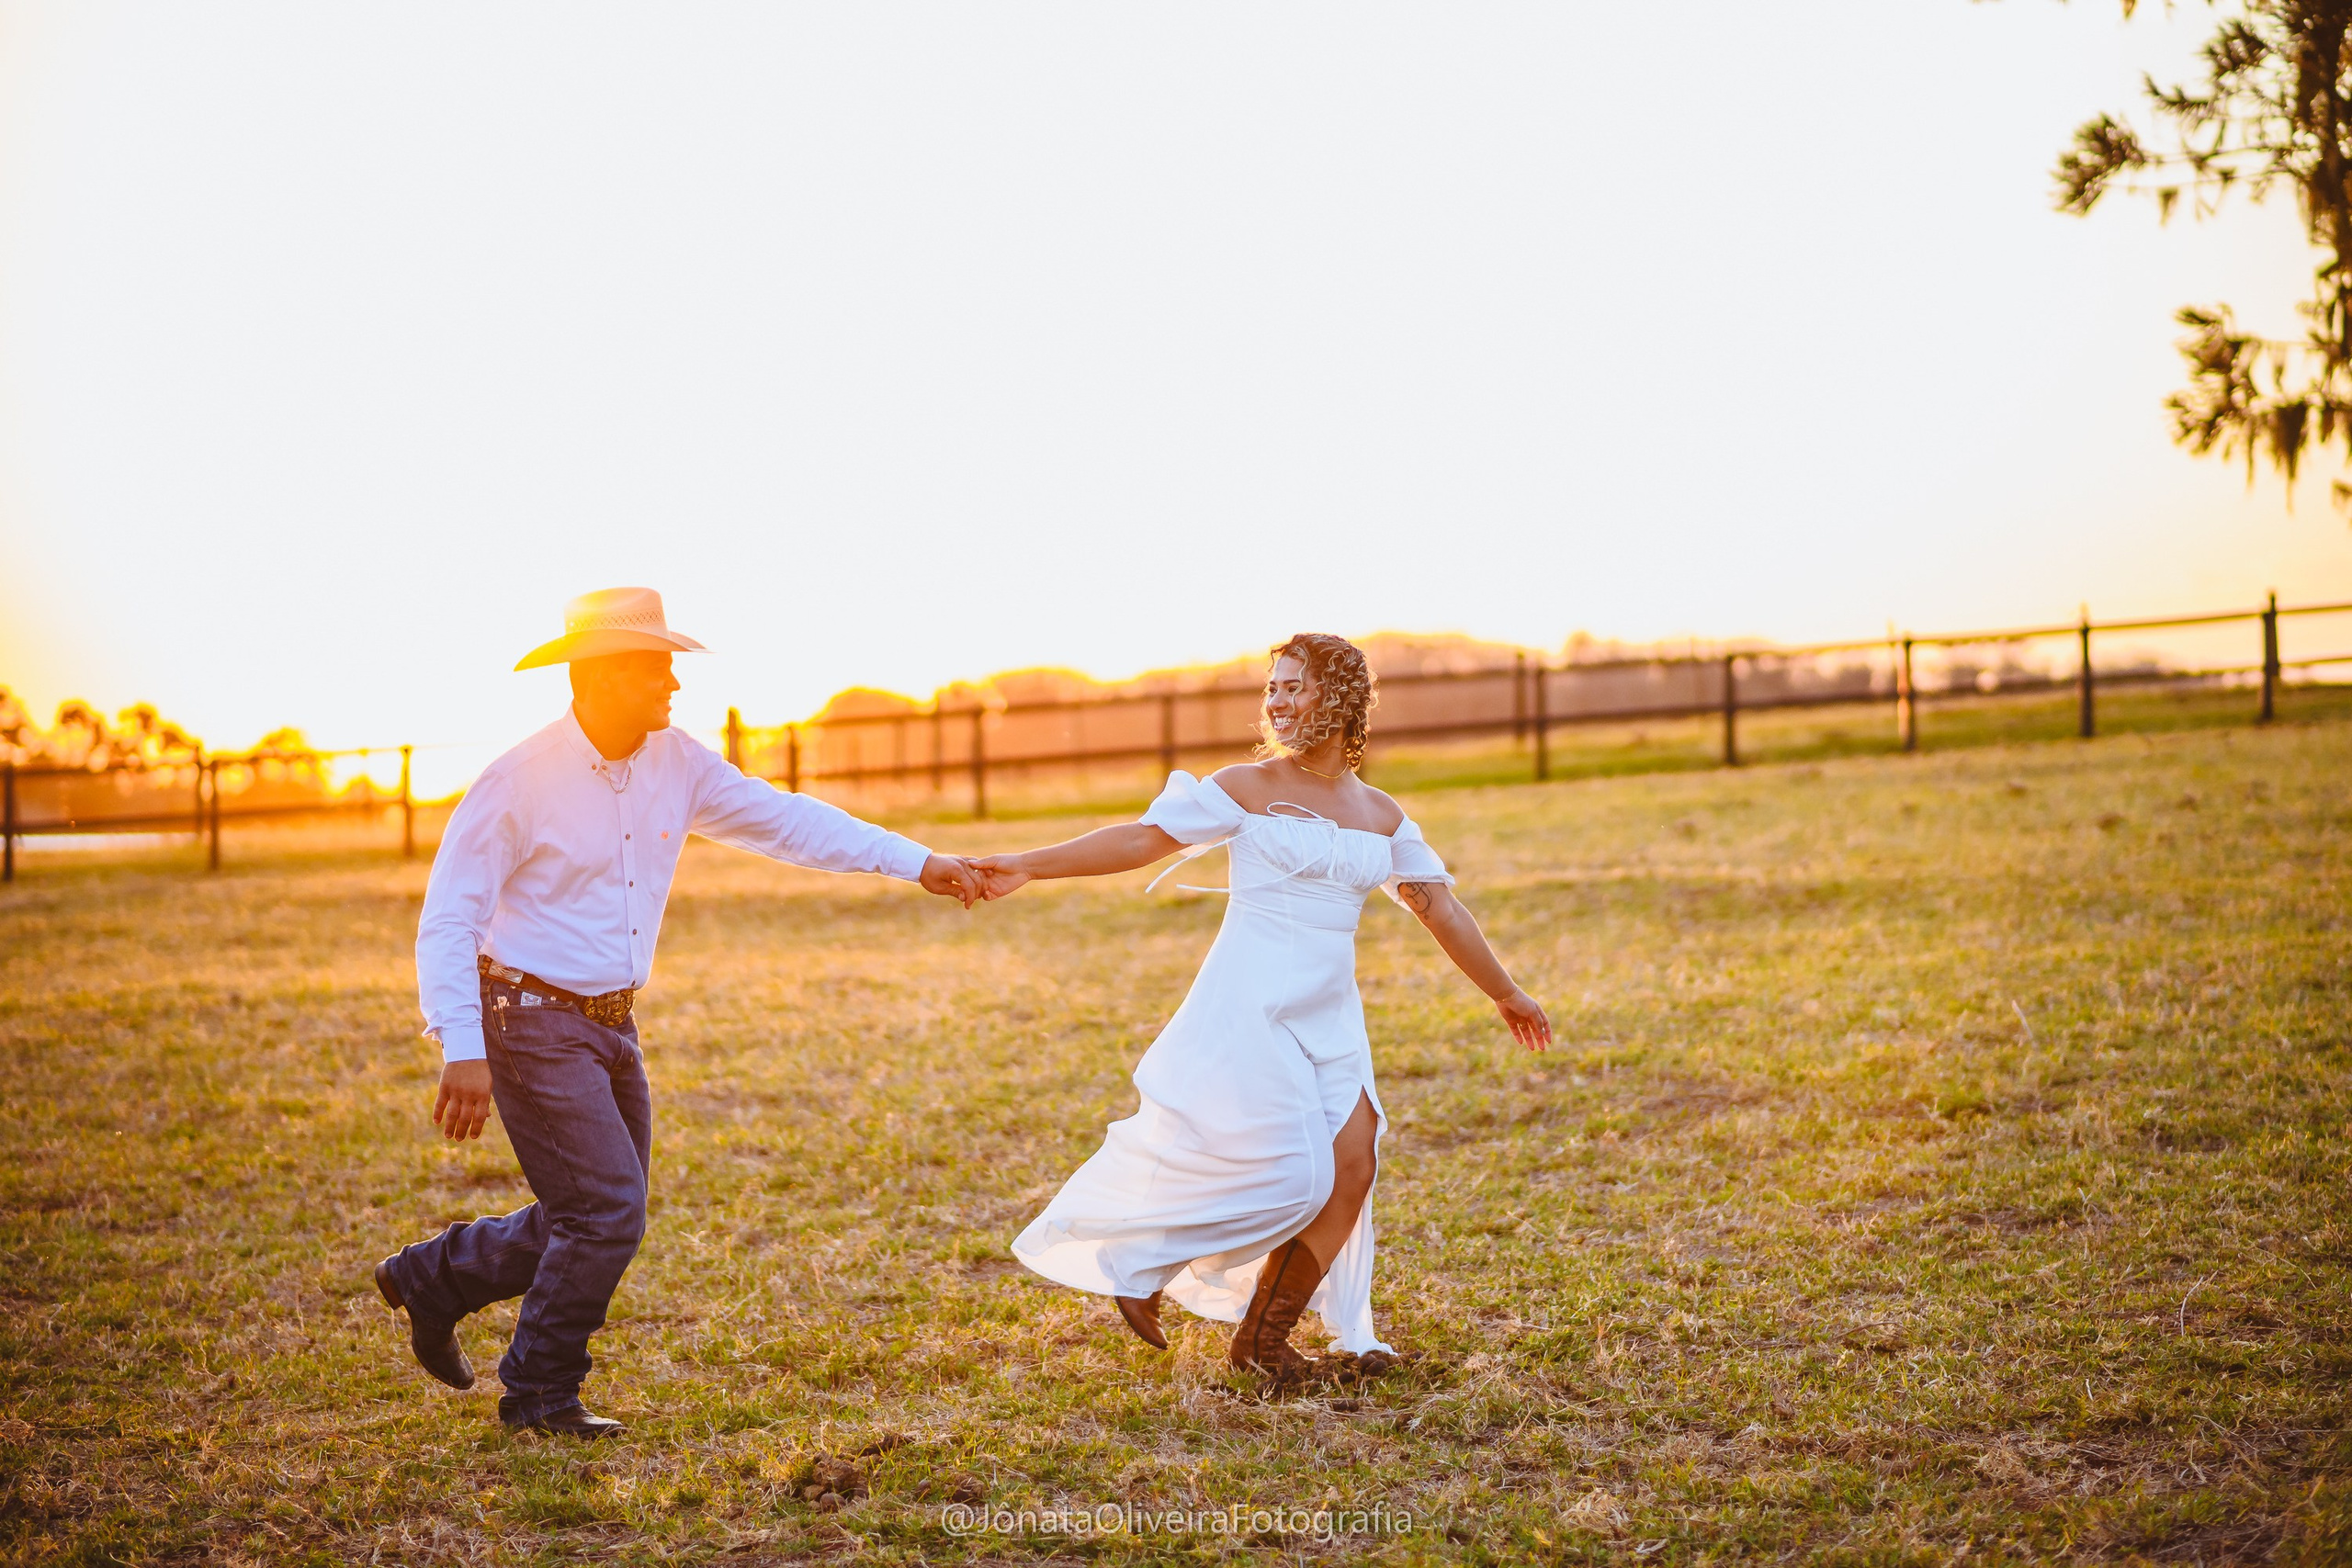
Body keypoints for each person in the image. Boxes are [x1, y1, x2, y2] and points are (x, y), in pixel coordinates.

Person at [374, 587, 982, 1438]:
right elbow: (450, 916)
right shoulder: (518, 782)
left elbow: (788, 822)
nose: (674, 682)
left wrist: (917, 861)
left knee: (592, 1210)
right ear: (602, 673)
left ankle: (438, 1278)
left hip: (612, 1021)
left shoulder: (678, 762)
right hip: (526, 1015)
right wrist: (461, 1043)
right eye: (657, 665)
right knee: (606, 1211)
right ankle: (541, 1391)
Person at [972, 633, 1549, 1382]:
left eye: (1292, 686)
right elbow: (1141, 839)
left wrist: (1505, 990)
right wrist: (1024, 863)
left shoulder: (1379, 811)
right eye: (1270, 687)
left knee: (1354, 1163)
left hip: (1329, 1010)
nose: (1275, 700)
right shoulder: (1246, 787)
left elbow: (1440, 908)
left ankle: (1261, 1345)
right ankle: (1141, 1259)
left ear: (1340, 700)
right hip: (1252, 1001)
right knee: (1294, 1175)